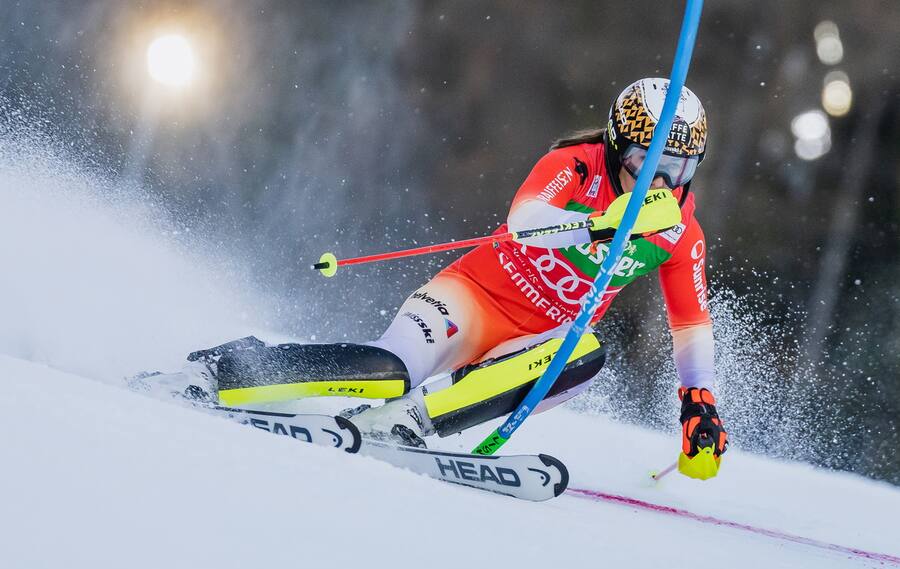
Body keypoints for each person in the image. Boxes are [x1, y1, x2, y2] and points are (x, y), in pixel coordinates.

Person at [140, 77, 728, 478]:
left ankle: (410, 425)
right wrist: (602, 224)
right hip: (470, 299)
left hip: (533, 345)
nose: (661, 183)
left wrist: (697, 403)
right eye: (647, 163)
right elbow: (525, 222)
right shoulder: (574, 166)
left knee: (584, 357)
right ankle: (228, 369)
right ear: (618, 145)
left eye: (679, 169)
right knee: (388, 373)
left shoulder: (680, 230)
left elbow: (691, 323)